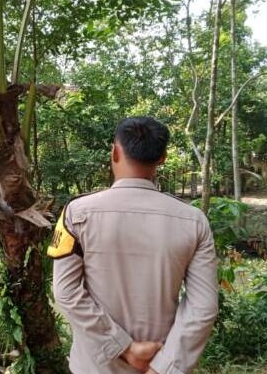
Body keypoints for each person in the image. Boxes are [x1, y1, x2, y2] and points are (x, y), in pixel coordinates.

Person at [48, 116, 219, 374]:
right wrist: (165, 368)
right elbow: (203, 307)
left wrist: (125, 349)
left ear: (114, 152)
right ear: (163, 158)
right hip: (158, 363)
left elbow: (66, 293)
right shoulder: (194, 221)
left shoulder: (76, 214)